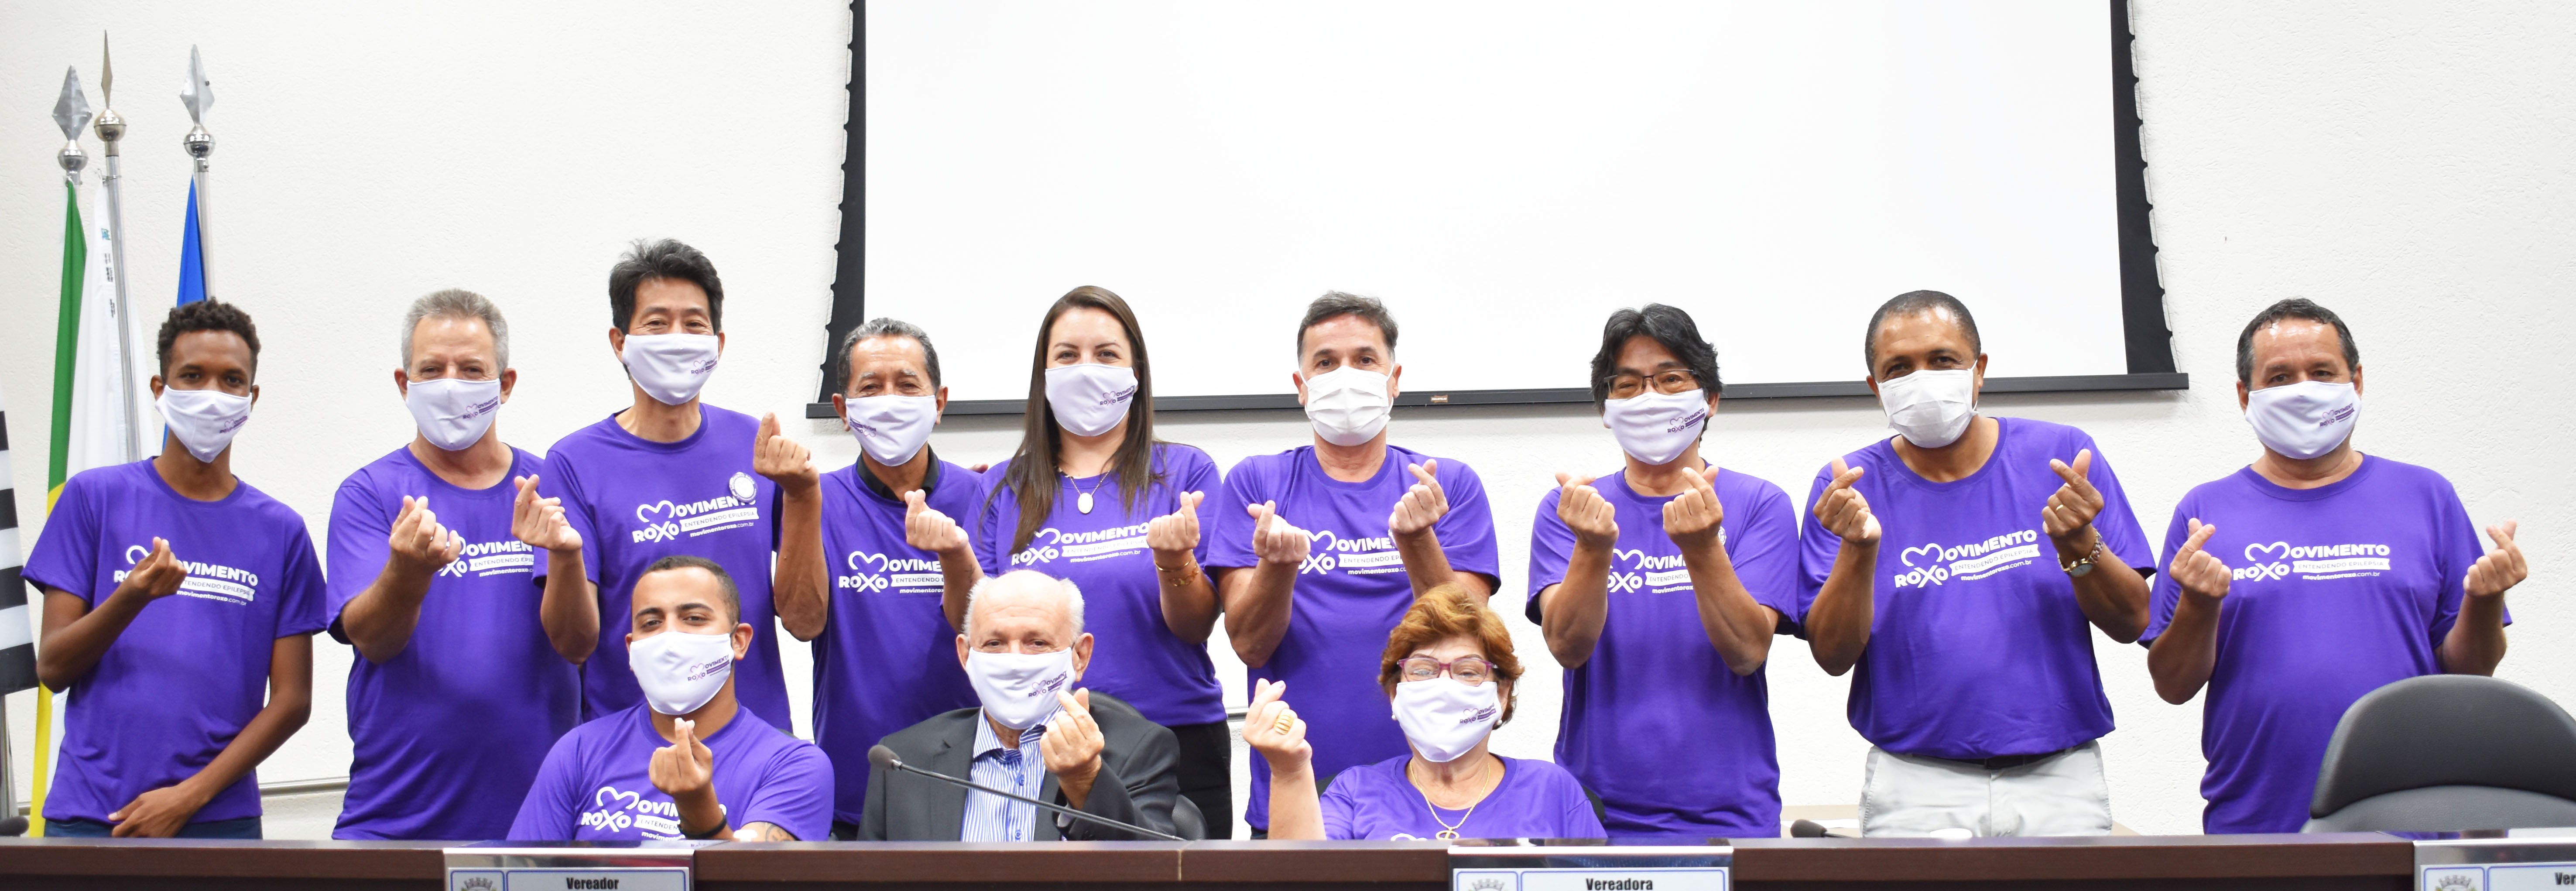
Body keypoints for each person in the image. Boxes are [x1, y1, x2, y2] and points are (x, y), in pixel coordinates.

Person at [2143, 299, 2525, 833]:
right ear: (2243, 395)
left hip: (2410, 813)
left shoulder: (2426, 496)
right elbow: (2173, 684)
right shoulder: (2205, 512)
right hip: (2257, 819)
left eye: (2322, 372)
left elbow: (2470, 672)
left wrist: (2485, 603)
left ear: (2357, 380)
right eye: (2279, 376)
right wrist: (2200, 606)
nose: (2303, 388)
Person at [1797, 290, 2155, 837]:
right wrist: (1859, 550)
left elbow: (2132, 620)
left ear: (1978, 369)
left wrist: (2078, 542)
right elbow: (1831, 653)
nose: (1923, 378)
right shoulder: (1849, 486)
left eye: (1942, 360)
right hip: (1914, 782)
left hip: (2060, 774)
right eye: (1899, 368)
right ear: (1876, 387)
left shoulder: (2059, 456)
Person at [903, 286, 1227, 837]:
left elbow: (1196, 624)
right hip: (1039, 740)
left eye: (1106, 354)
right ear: (1044, 374)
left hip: (1177, 731)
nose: (1087, 370)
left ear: (1136, 372)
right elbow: (975, 621)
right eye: (1067, 355)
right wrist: (955, 555)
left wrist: (1174, 561)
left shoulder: (1186, 472)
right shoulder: (1004, 485)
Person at [25, 300, 326, 838]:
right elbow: (52, 666)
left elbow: (293, 700)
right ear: (159, 388)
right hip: (93, 813)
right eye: (193, 376)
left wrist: (189, 797)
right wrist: (131, 597)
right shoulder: (95, 497)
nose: (212, 393)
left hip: (220, 818)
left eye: (232, 380)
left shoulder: (281, 530)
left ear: (251, 398)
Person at [1206, 292, 1501, 836]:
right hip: (1295, 789)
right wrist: (1278, 568)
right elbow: (1249, 644)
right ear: (1301, 387)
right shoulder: (1257, 483)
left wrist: (1416, 539)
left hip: (1431, 791)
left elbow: (1471, 638)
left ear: (1395, 379)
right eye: (1326, 362)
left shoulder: (1447, 483)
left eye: (1365, 360)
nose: (1346, 375)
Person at [1527, 305, 1800, 839]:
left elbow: (1748, 651)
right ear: (1606, 409)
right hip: (1594, 815)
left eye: (1671, 379)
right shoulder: (1573, 508)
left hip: (1728, 816)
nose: (1649, 397)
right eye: (1627, 385)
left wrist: (1702, 550)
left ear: (1710, 400)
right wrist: (1593, 548)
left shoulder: (1759, 504)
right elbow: (1567, 646)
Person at [326, 290, 590, 840]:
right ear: (404, 385)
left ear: (506, 384)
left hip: (538, 819)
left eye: (472, 370)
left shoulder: (550, 488)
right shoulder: (371, 494)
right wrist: (407, 571)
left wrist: (565, 554)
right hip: (397, 821)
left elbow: (578, 643)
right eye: (432, 369)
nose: (451, 384)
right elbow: (371, 639)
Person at [535, 238, 826, 726]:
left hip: (754, 743)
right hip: (628, 749)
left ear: (719, 343)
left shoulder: (754, 446)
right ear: (619, 342)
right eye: (656, 323)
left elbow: (805, 621)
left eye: (694, 324)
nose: (677, 337)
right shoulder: (574, 462)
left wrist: (802, 496)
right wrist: (564, 554)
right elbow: (572, 642)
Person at [781, 317, 991, 840]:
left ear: (939, 403)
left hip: (977, 789)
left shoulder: (984, 497)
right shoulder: (815, 501)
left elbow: (995, 635)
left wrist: (955, 553)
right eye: (870, 387)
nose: (890, 400)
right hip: (857, 786)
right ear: (843, 410)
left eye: (907, 384)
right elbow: (802, 622)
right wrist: (800, 497)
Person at [508, 556, 832, 841]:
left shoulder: (794, 766)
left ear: (738, 641)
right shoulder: (579, 751)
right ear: (631, 650)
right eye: (652, 623)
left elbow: (764, 881)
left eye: (694, 619)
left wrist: (700, 813)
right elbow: (523, 874)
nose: (670, 638)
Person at [1247, 585, 1604, 840]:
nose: (1444, 687)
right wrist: (1290, 771)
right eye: (1423, 670)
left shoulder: (1552, 792)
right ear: (1394, 693)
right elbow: (1304, 881)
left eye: (1467, 671)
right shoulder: (1355, 793)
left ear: (1501, 692)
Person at [860, 570, 1183, 841]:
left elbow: (1156, 872)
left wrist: (1085, 779)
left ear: (1080, 655)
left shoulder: (1139, 749)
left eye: (1037, 643)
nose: (1014, 661)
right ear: (965, 655)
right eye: (995, 643)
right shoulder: (901, 760)